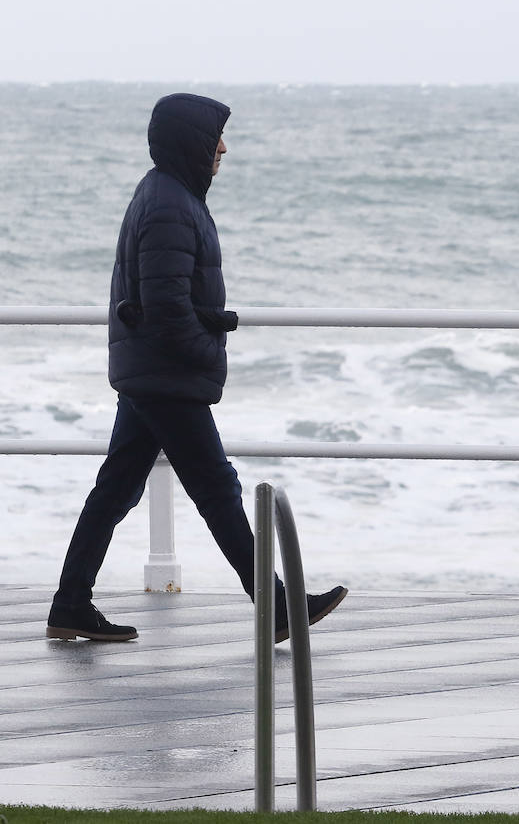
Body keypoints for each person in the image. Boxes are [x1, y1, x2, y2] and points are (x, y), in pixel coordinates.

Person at [46, 93, 346, 645]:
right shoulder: (168, 204)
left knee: (116, 489)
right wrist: (209, 352)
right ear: (191, 142)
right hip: (165, 375)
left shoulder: (167, 194)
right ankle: (277, 608)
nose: (224, 148)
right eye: (216, 139)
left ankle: (70, 603)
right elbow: (166, 307)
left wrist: (205, 332)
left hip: (150, 370)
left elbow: (163, 298)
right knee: (217, 489)